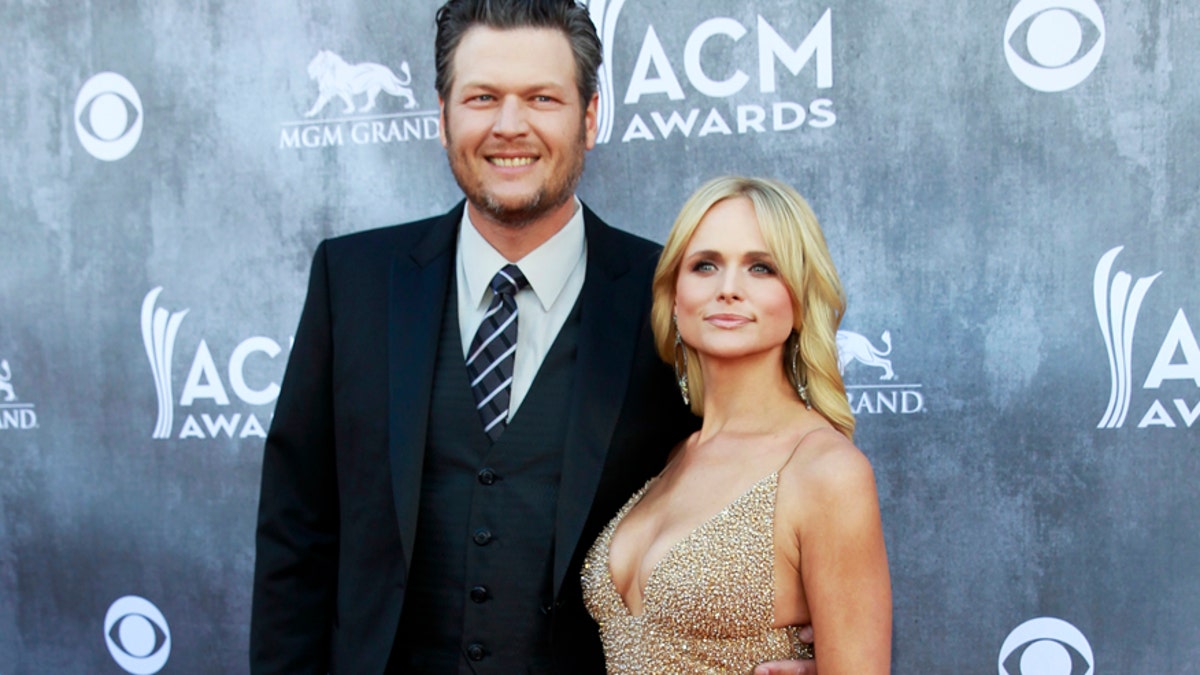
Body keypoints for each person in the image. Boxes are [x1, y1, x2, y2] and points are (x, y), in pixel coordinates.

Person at [250, 1, 820, 673]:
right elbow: (297, 534)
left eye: (541, 98)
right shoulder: (353, 282)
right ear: (442, 117)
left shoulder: (670, 295)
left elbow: (766, 466)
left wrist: (794, 647)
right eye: (482, 97)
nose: (509, 126)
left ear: (589, 118)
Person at [582, 176, 892, 673]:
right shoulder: (675, 454)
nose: (728, 289)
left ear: (798, 299)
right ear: (674, 295)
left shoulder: (826, 471)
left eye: (761, 268)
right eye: (705, 265)